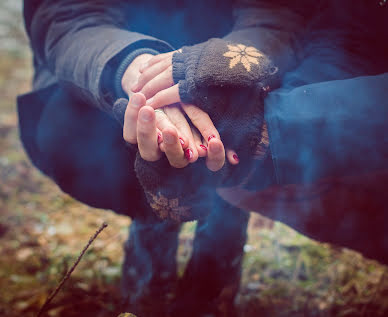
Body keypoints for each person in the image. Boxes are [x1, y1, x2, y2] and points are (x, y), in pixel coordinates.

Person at [18, 0, 388, 316]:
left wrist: (232, 64)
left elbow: (280, 12)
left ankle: (214, 263)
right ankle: (153, 244)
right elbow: (69, 14)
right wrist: (137, 72)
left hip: (240, 60)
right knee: (79, 131)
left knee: (225, 144)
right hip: (120, 57)